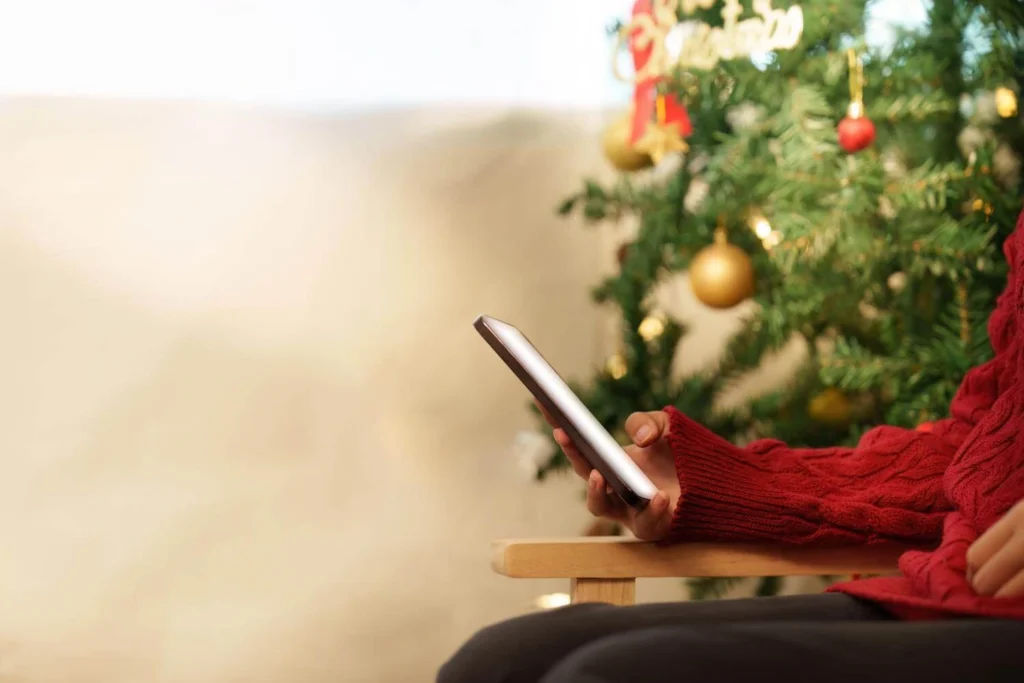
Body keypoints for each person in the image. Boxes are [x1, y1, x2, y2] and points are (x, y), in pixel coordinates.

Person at [438, 208, 1024, 683]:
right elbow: (979, 447)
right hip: (948, 592)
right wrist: (721, 485)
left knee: (612, 676)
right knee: (501, 662)